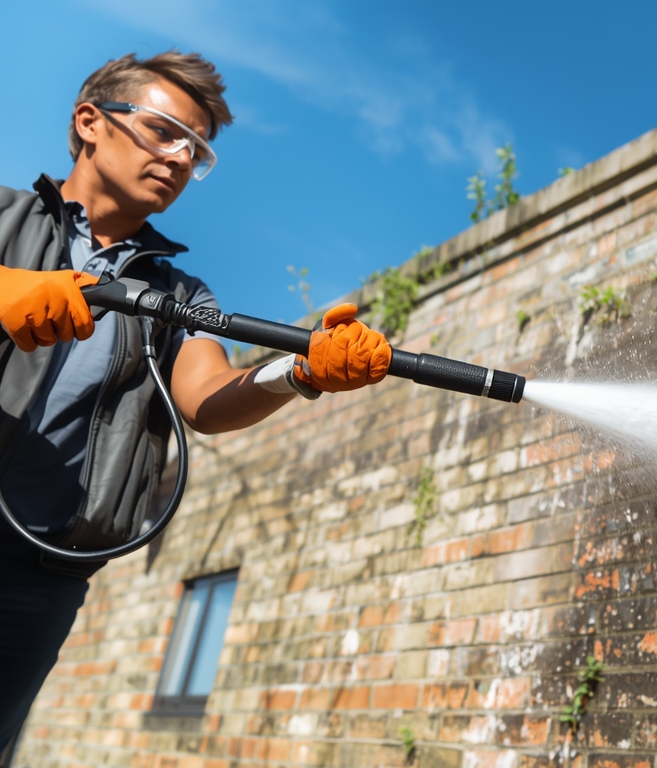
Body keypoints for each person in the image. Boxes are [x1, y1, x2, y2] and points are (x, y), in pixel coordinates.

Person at [0, 51, 392, 748]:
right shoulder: (3, 216)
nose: (181, 157)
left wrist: (298, 373)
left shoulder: (179, 297)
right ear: (90, 123)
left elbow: (207, 397)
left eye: (198, 149)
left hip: (39, 577)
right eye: (164, 130)